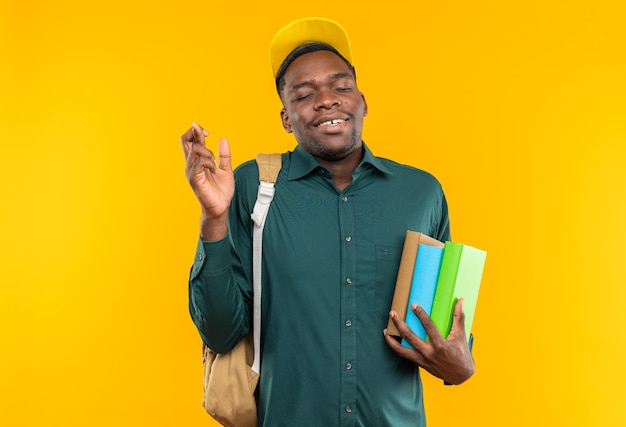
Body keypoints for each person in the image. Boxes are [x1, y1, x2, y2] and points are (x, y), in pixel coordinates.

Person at [181, 17, 475, 427]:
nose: (327, 100)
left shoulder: (422, 193)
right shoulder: (251, 187)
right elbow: (220, 332)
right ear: (286, 118)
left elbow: (451, 344)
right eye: (305, 94)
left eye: (341, 87)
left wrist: (461, 366)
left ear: (363, 101)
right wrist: (214, 217)